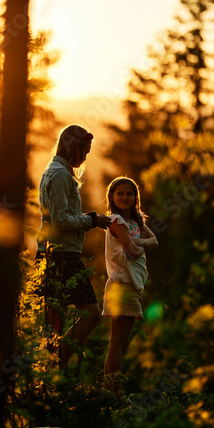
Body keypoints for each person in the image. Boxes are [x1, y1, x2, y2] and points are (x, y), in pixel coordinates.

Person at [36, 125, 111, 369]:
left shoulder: (56, 171)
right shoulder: (59, 175)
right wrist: (92, 221)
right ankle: (57, 361)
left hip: (54, 253)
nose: (85, 157)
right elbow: (60, 220)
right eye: (84, 151)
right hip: (63, 255)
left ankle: (50, 378)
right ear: (73, 147)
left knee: (56, 320)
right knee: (90, 312)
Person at [102, 176, 158, 392]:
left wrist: (137, 241)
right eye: (120, 193)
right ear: (112, 197)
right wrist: (138, 244)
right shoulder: (116, 221)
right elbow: (132, 251)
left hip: (132, 286)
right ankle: (114, 392)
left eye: (129, 193)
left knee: (121, 342)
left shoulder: (136, 222)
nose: (125, 197)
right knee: (116, 341)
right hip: (120, 285)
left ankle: (109, 390)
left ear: (136, 197)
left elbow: (154, 242)